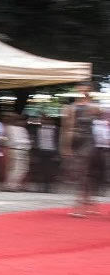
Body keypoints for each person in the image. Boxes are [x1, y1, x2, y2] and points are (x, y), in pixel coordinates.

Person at [62, 84, 103, 217]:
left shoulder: (93, 107)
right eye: (80, 89)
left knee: (87, 171)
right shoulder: (70, 108)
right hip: (76, 141)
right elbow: (66, 128)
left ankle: (82, 202)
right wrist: (66, 146)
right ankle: (83, 201)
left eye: (85, 90)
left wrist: (90, 103)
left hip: (89, 141)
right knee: (80, 172)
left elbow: (101, 114)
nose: (83, 92)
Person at [1, 111, 31, 191]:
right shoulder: (9, 128)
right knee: (16, 168)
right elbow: (11, 140)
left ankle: (14, 184)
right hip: (15, 149)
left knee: (23, 169)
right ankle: (11, 185)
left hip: (24, 150)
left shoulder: (22, 129)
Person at [33, 114, 59, 193]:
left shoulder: (56, 129)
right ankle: (42, 187)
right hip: (41, 151)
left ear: (51, 121)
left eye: (47, 120)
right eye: (44, 119)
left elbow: (58, 141)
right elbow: (36, 140)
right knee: (41, 170)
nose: (45, 121)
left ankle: (48, 186)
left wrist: (57, 153)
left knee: (50, 170)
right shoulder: (38, 129)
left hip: (51, 151)